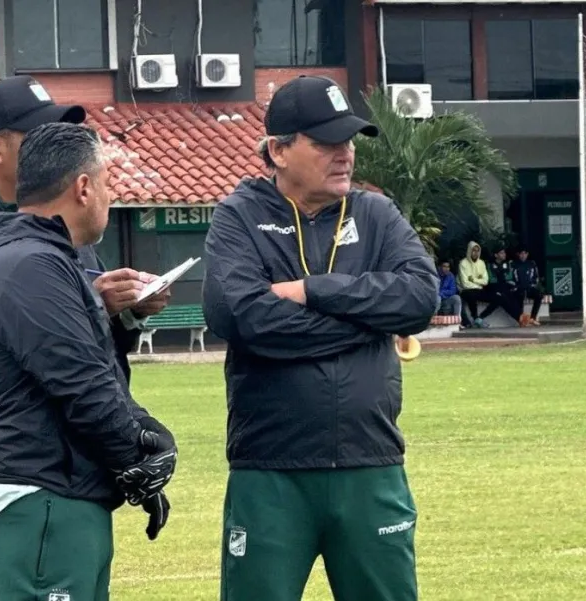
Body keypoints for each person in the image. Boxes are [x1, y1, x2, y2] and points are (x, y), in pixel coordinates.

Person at [0, 76, 168, 601]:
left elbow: (82, 342)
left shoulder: (63, 224)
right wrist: (89, 302)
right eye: (38, 135)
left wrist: (124, 314)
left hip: (68, 454)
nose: (54, 147)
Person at [201, 75, 439, 601]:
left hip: (371, 465)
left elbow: (421, 299)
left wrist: (313, 290)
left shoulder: (376, 214)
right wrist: (364, 324)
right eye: (327, 142)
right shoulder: (239, 216)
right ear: (279, 151)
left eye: (349, 141)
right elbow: (239, 316)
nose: (345, 154)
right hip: (270, 469)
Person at [458, 241, 501, 328]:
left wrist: (473, 279)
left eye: (477, 251)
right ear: (469, 250)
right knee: (471, 295)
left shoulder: (481, 263)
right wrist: (479, 282)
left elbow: (485, 281)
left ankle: (480, 318)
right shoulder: (463, 263)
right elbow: (465, 283)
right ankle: (475, 317)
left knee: (498, 298)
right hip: (466, 291)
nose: (475, 253)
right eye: (473, 250)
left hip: (479, 290)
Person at [512, 248, 543, 326]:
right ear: (518, 254)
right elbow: (511, 278)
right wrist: (516, 286)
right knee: (519, 296)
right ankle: (522, 320)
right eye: (521, 253)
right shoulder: (514, 264)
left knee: (539, 295)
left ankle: (533, 318)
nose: (523, 255)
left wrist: (532, 285)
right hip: (519, 288)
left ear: (527, 254)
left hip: (529, 288)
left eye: (525, 253)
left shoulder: (532, 264)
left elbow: (536, 277)